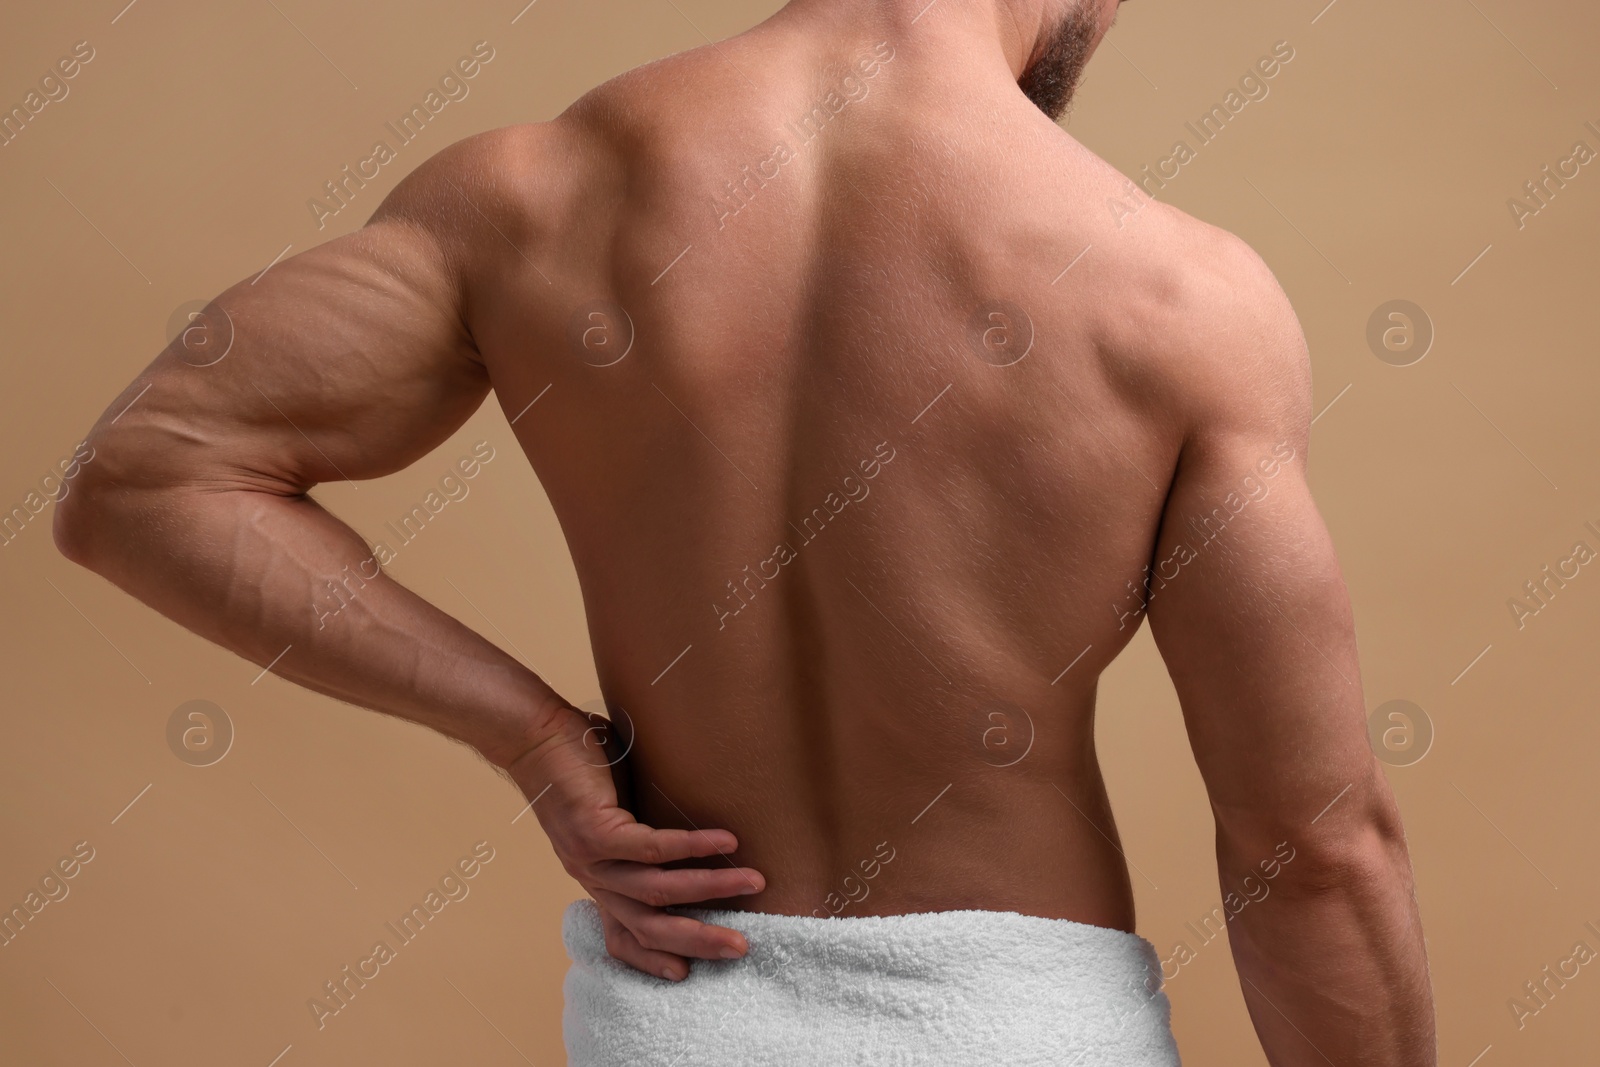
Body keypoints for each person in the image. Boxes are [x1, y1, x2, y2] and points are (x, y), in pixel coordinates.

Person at [54, 0, 1436, 1062]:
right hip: (1025, 1030)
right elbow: (1309, 848)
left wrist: (535, 740)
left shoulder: (534, 194)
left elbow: (149, 479)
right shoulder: (1176, 297)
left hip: (680, 1021)